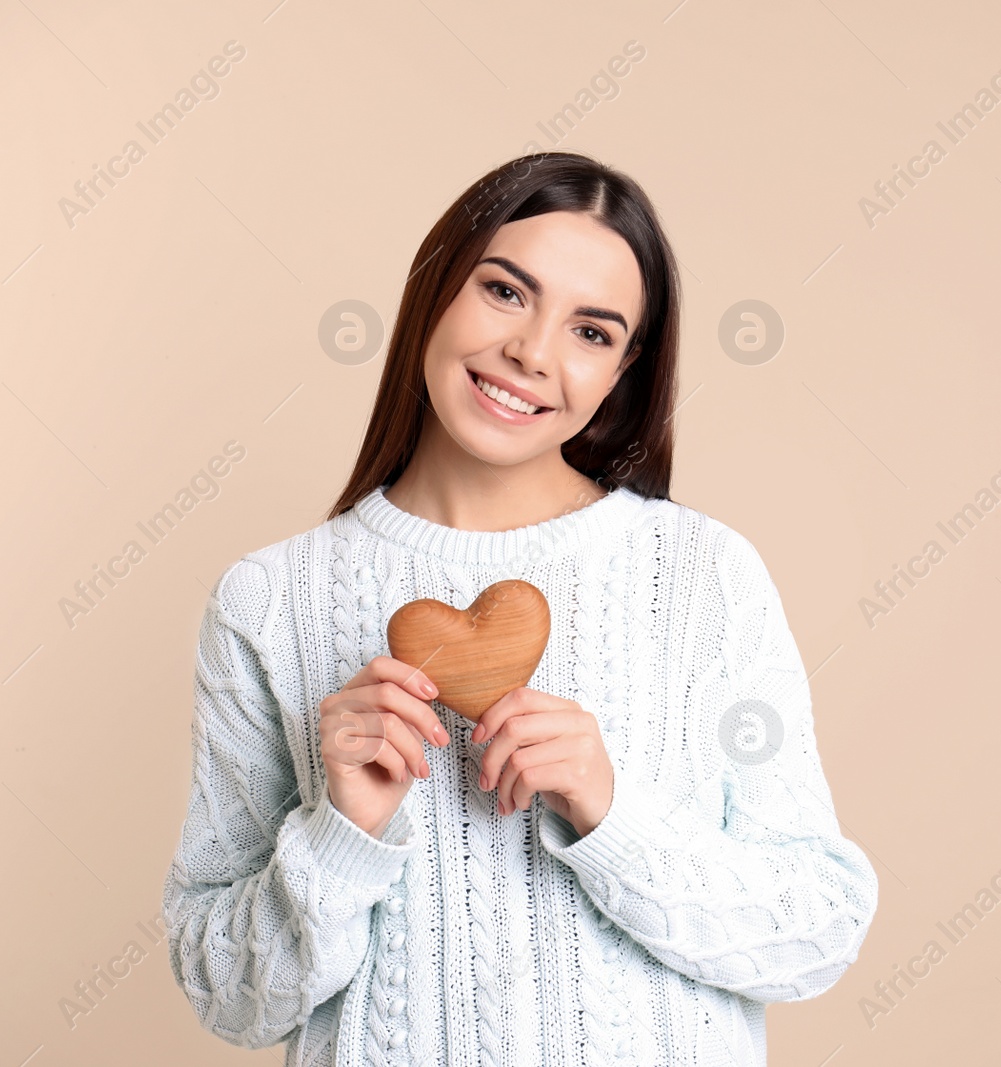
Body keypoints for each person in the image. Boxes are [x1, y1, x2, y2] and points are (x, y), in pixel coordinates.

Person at [161, 150, 878, 1065]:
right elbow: (228, 1000)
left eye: (592, 332)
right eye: (505, 292)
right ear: (436, 289)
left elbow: (816, 928)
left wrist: (612, 813)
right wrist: (340, 837)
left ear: (622, 371)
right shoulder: (266, 601)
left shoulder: (703, 575)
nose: (532, 353)